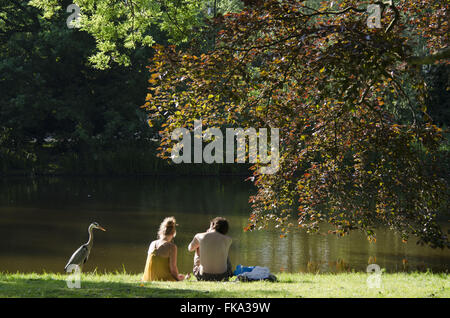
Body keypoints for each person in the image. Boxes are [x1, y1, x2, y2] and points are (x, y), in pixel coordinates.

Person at [188, 217, 233, 281]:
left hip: (203, 276)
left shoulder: (199, 236)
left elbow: (190, 248)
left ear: (212, 225)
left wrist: (206, 235)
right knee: (224, 252)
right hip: (223, 276)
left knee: (197, 247)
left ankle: (201, 270)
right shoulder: (228, 239)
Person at [142, 217, 186, 282]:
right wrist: (178, 279)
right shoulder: (172, 247)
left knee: (180, 276)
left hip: (148, 278)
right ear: (174, 233)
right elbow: (173, 269)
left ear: (161, 231)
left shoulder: (152, 243)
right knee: (181, 277)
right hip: (163, 279)